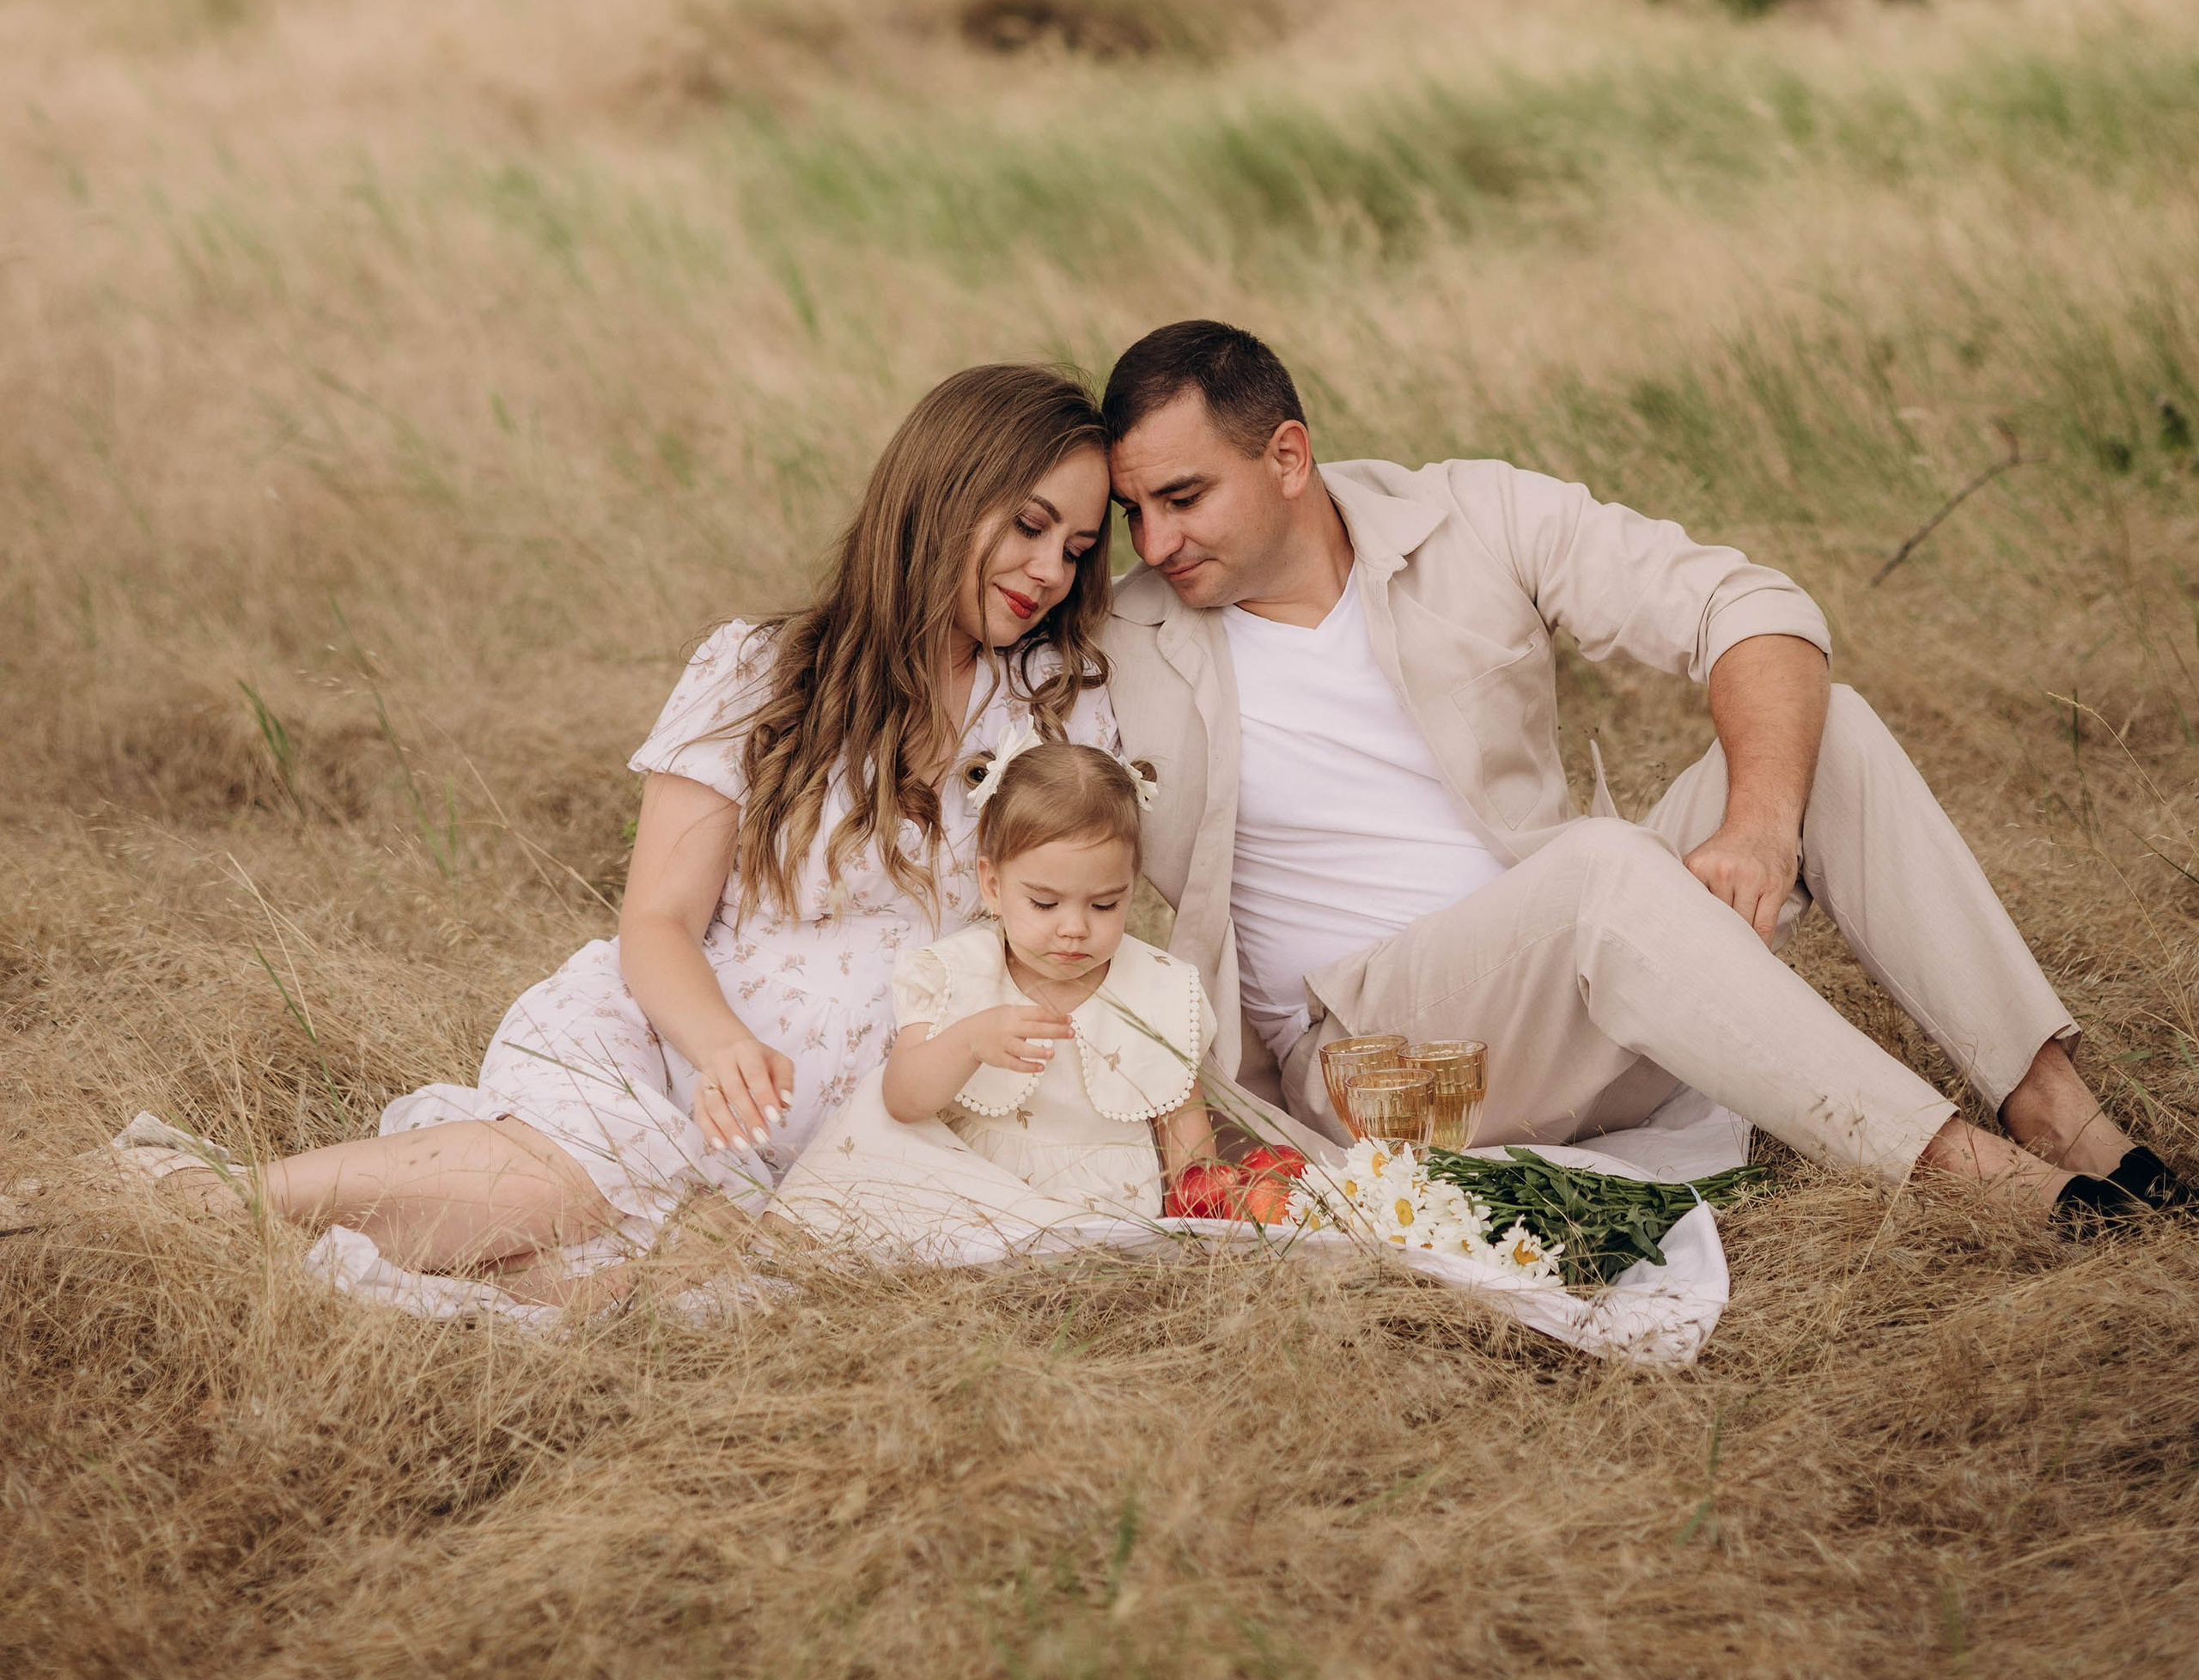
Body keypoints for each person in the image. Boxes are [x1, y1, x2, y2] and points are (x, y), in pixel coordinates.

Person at [1100, 319, 2196, 1229]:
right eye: (1133, 512)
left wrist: (1762, 823)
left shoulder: (1465, 516)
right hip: (1377, 1083)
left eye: (1183, 498)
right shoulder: (1115, 645)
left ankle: (2062, 1118)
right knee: (1598, 871)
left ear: (1287, 457)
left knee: (1835, 733)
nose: (1153, 543)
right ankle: (1990, 1187)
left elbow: (1748, 606)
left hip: (1574, 1004)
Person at [123, 367, 1117, 1304]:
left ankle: (227, 1228)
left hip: (867, 1135)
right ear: (939, 492)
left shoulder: (1054, 714)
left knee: (631, 1287)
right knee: (567, 1187)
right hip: (680, 1052)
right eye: (1029, 526)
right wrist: (723, 1045)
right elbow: (656, 919)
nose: (1047, 572)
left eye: (1075, 550)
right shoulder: (762, 671)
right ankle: (210, 1200)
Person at [771, 737, 1219, 1254]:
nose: (1074, 928)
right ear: (992, 884)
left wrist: (1200, 1205)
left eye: (1104, 905)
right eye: (1045, 904)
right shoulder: (958, 973)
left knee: (1089, 1265)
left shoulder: (1159, 986)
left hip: (1101, 1201)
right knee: (874, 1132)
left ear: (1130, 886)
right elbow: (902, 1100)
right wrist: (968, 1042)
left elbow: (1179, 1113)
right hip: (971, 1193)